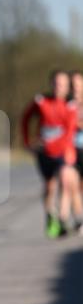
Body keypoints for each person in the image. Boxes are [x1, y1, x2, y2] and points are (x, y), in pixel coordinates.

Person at [21, 70, 78, 237]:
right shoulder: (41, 101)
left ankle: (63, 217)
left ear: (67, 87)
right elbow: (25, 118)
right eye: (56, 83)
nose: (59, 87)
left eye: (63, 84)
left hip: (63, 152)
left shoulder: (70, 105)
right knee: (50, 186)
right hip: (44, 152)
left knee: (66, 179)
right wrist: (27, 141)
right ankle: (50, 215)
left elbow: (70, 130)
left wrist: (66, 148)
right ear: (51, 84)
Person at [69, 70, 83, 233]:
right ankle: (79, 220)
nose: (76, 88)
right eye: (73, 85)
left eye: (78, 84)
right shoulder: (67, 103)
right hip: (71, 149)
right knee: (73, 185)